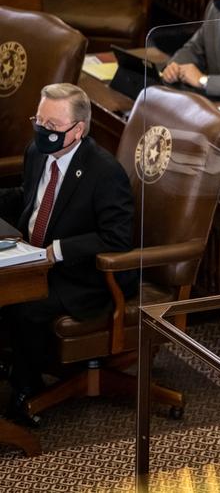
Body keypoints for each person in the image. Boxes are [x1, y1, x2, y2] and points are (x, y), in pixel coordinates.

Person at [0, 84, 136, 427]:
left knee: (24, 305)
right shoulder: (36, 152)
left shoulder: (105, 173)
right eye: (39, 121)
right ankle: (13, 362)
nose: (42, 131)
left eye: (52, 127)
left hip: (85, 274)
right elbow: (27, 196)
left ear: (78, 130)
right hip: (32, 256)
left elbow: (117, 238)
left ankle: (26, 391)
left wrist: (56, 251)